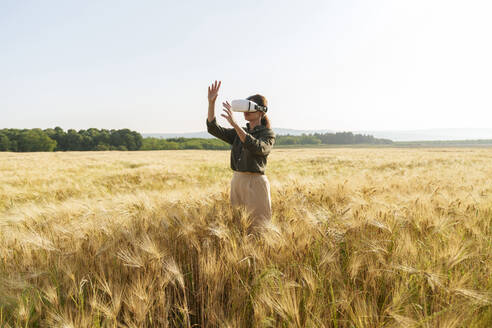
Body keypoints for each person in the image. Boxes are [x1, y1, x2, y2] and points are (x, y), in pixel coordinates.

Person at [206, 80, 275, 233]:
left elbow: (258, 148)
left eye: (249, 107)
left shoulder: (267, 134)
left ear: (261, 111)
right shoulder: (239, 132)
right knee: (238, 227)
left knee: (259, 227)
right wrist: (211, 103)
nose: (245, 112)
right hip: (237, 180)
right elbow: (213, 129)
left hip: (255, 182)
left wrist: (235, 125)